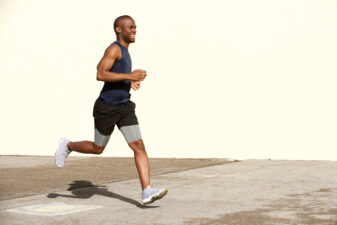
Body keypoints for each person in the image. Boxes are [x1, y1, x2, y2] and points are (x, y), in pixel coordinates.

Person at [55, 15, 167, 205]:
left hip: (124, 108)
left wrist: (128, 81)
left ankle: (146, 191)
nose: (134, 30)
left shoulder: (125, 51)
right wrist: (129, 75)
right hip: (106, 108)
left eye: (135, 27)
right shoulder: (114, 48)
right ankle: (68, 145)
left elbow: (115, 75)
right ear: (118, 29)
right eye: (130, 27)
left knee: (138, 146)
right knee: (97, 148)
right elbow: (100, 73)